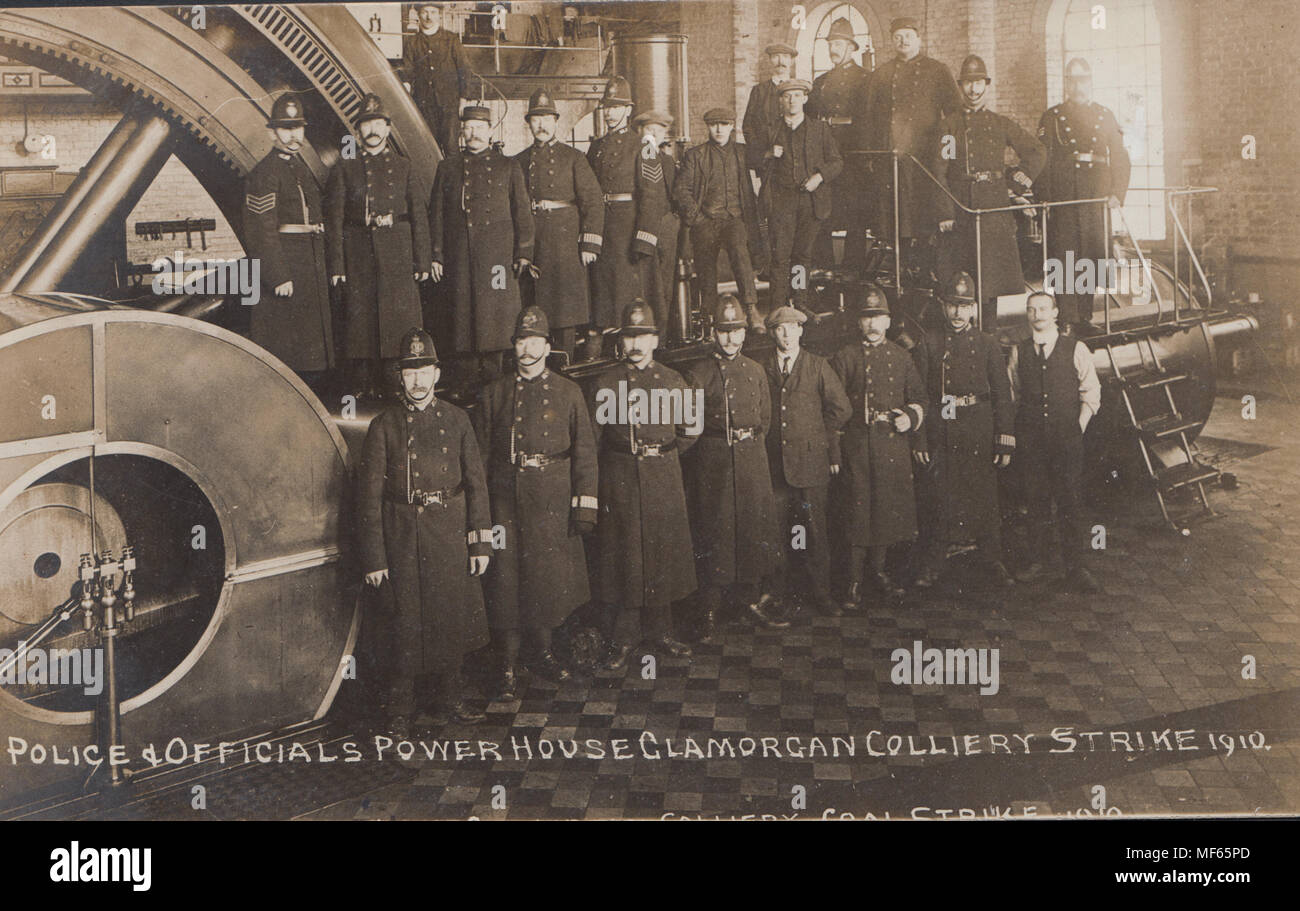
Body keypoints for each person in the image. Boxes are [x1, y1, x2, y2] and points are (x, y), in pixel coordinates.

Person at [356, 328, 490, 735]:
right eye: (409, 371)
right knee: (405, 622)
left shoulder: (458, 419)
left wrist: (480, 540)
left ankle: (451, 699)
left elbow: (476, 484)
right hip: (402, 534)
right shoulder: (384, 426)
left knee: (449, 615)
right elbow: (368, 499)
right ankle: (400, 710)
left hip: (448, 530)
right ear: (400, 376)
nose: (417, 379)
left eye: (424, 370)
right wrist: (375, 558)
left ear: (437, 373)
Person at [475, 306, 598, 697]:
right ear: (513, 347)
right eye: (520, 341)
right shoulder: (493, 394)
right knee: (506, 583)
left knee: (547, 580)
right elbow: (478, 460)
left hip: (553, 499)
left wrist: (583, 506)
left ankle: (542, 655)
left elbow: (585, 453)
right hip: (505, 503)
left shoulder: (569, 392)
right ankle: (507, 665)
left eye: (535, 341)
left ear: (548, 346)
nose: (527, 349)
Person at [590, 301, 698, 668]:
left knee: (662, 551)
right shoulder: (605, 383)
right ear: (621, 342)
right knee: (626, 554)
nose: (636, 344)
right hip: (620, 477)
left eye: (643, 336)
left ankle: (662, 631)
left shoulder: (671, 380)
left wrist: (663, 453)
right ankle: (623, 638)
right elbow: (594, 440)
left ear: (655, 339)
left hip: (663, 475)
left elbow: (691, 430)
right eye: (629, 337)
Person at [684, 295, 783, 641]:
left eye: (737, 330)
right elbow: (689, 427)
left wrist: (747, 447)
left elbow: (765, 420)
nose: (731, 338)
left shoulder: (755, 371)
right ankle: (709, 609)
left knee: (753, 528)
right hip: (715, 463)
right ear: (713, 333)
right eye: (724, 331)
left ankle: (749, 601)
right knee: (717, 531)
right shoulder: (699, 374)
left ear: (745, 332)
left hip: (751, 459)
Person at [911, 271, 1016, 589]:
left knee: (984, 495)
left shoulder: (986, 344)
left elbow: (1002, 394)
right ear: (943, 307)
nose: (958, 313)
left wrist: (1004, 439)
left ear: (973, 309)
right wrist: (920, 438)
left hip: (978, 428)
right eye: (952, 305)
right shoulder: (929, 343)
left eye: (964, 305)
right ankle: (934, 560)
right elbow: (918, 396)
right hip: (942, 428)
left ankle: (991, 559)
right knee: (939, 496)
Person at [325, 93, 430, 398]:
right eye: (366, 124)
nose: (372, 130)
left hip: (398, 254)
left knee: (397, 321)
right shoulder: (345, 169)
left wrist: (422, 261)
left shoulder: (405, 167)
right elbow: (334, 221)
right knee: (361, 322)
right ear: (358, 132)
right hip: (358, 254)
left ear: (387, 128)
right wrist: (337, 266)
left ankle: (394, 383)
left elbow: (419, 217)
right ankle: (361, 386)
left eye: (378, 124)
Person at [830, 285, 926, 608]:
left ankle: (879, 572)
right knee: (858, 513)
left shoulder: (902, 357)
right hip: (857, 447)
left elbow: (920, 398)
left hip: (891, 447)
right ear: (858, 323)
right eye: (867, 318)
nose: (872, 324)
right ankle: (854, 582)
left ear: (888, 322)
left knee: (885, 511)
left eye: (878, 317)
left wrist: (910, 419)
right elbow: (831, 407)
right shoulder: (844, 358)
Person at [935, 55, 1046, 328]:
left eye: (978, 83)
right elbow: (940, 169)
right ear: (961, 88)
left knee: (991, 281)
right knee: (962, 277)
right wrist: (946, 210)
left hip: (994, 209)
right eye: (968, 84)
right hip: (961, 209)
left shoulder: (1000, 124)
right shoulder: (949, 127)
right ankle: (962, 334)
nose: (973, 90)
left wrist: (1017, 181)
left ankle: (989, 338)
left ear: (986, 85)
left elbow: (1036, 152)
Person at [1006, 291, 1102, 592]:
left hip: (1066, 441)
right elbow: (1014, 394)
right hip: (1032, 441)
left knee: (1069, 501)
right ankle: (1039, 561)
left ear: (1055, 313)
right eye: (1032, 310)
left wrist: (1077, 427)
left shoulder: (1076, 349)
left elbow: (1091, 394)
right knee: (1036, 501)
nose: (1037, 315)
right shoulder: (1019, 352)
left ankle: (1076, 567)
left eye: (1043, 309)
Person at [428, 104, 534, 376]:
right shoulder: (447, 168)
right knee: (462, 323)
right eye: (469, 127)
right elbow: (436, 215)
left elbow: (522, 212)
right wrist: (437, 255)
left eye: (479, 127)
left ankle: (493, 377)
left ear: (490, 131)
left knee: (495, 321)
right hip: (459, 258)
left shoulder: (508, 166)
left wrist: (524, 253)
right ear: (462, 131)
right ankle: (464, 385)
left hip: (498, 259)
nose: (473, 133)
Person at [760, 304, 852, 616]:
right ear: (773, 333)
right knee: (776, 533)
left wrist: (822, 440)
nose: (786, 334)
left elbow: (841, 408)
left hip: (811, 465)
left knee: (814, 532)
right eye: (780, 329)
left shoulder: (817, 366)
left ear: (801, 331)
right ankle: (778, 594)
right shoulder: (763, 367)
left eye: (792, 328)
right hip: (774, 466)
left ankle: (821, 594)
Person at [241, 94, 334, 387]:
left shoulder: (298, 168)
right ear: (272, 133)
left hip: (308, 268)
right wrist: (277, 275)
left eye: (298, 128)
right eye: (286, 129)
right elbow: (260, 230)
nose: (294, 136)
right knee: (289, 356)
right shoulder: (264, 174)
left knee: (309, 352)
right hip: (286, 274)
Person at [1036, 57, 1131, 331]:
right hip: (1064, 194)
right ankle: (1066, 318)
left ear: (1091, 82)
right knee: (1065, 254)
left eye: (1083, 79)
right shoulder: (1052, 117)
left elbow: (1121, 156)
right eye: (1073, 80)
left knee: (1091, 254)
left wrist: (1117, 192)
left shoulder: (1105, 115)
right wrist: (1045, 197)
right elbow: (1043, 158)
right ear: (1066, 83)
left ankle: (1085, 317)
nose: (1078, 86)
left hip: (1096, 194)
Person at [862, 18, 962, 271]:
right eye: (898, 36)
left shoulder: (937, 70)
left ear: (918, 39)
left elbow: (954, 117)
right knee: (895, 221)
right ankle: (899, 272)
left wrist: (948, 155)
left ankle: (926, 272)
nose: (903, 40)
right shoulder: (882, 74)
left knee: (924, 220)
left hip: (926, 160)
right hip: (893, 159)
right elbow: (870, 118)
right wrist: (873, 156)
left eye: (908, 35)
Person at [512, 88, 604, 361]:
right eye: (536, 119)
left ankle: (567, 364)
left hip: (565, 245)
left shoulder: (573, 158)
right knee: (534, 308)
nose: (541, 124)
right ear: (529, 123)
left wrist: (589, 243)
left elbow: (593, 202)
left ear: (555, 121)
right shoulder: (518, 162)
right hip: (533, 244)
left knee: (565, 311)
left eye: (546, 118)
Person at [586, 78, 669, 357]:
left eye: (616, 107)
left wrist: (644, 240)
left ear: (628, 110)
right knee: (604, 299)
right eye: (606, 107)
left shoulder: (643, 145)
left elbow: (653, 196)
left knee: (629, 298)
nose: (609, 113)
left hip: (629, 231)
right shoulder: (595, 147)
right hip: (603, 231)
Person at [675, 108, 761, 331]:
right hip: (706, 220)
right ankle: (709, 315)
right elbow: (681, 190)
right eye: (714, 124)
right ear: (708, 127)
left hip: (734, 219)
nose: (719, 129)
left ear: (733, 126)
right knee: (705, 267)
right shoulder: (696, 155)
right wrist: (697, 218)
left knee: (740, 252)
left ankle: (751, 310)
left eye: (724, 124)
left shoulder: (743, 153)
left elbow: (767, 162)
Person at [766, 79, 842, 319]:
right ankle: (778, 307)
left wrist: (819, 177)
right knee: (780, 257)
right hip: (782, 203)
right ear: (781, 100)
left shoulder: (819, 129)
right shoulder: (771, 130)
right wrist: (769, 154)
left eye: (797, 96)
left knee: (802, 256)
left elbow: (837, 162)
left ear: (805, 99)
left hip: (811, 203)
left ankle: (799, 302)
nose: (792, 100)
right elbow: (753, 160)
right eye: (787, 96)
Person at [807, 17, 873, 273]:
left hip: (853, 157)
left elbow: (869, 119)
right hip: (825, 158)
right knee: (822, 211)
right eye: (831, 43)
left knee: (855, 217)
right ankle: (823, 269)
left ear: (851, 47)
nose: (833, 49)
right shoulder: (820, 82)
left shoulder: (866, 79)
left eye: (838, 43)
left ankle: (853, 270)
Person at [742, 42, 798, 278]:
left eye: (785, 57)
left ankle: (797, 274)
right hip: (768, 166)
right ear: (769, 62)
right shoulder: (759, 91)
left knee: (796, 218)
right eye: (775, 57)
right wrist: (764, 154)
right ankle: (773, 268)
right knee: (770, 215)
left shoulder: (799, 90)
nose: (780, 62)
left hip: (794, 166)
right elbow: (748, 127)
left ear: (791, 61)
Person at [400, 2, 473, 154]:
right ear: (418, 15)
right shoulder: (412, 43)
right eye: (425, 12)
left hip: (449, 107)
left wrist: (463, 100)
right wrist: (406, 88)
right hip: (424, 107)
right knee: (428, 149)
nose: (429, 16)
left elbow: (464, 70)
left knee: (451, 148)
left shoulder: (451, 39)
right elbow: (407, 72)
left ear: (439, 15)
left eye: (433, 12)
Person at [633, 110, 681, 332]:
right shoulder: (636, 156)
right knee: (646, 285)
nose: (653, 134)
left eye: (658, 130)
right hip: (641, 228)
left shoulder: (667, 161)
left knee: (665, 285)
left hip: (666, 228)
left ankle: (663, 335)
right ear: (639, 132)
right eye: (648, 130)